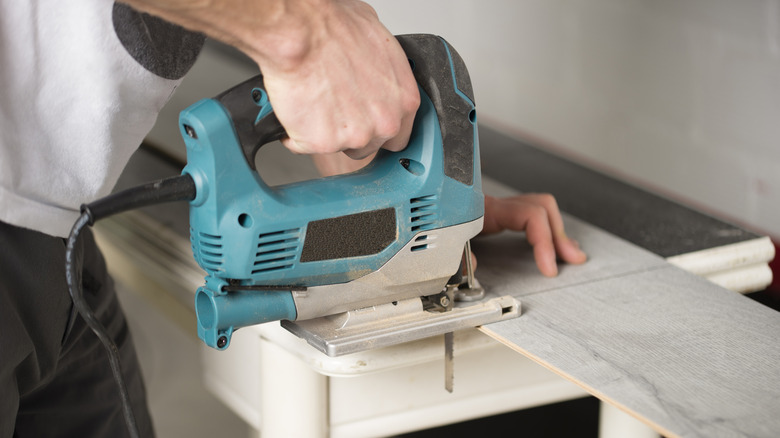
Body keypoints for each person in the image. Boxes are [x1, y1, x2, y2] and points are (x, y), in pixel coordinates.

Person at [0, 0, 586, 436]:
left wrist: (439, 213)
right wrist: (303, 32)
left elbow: (338, 111)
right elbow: (304, 38)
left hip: (55, 239)